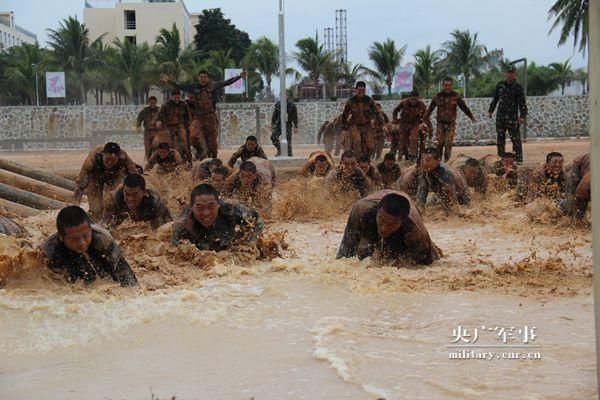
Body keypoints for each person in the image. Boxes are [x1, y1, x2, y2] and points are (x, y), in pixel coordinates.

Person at [40, 206, 137, 287]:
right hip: (68, 266)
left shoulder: (103, 239)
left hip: (99, 262)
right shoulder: (50, 251)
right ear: (61, 237)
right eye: (74, 239)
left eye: (86, 235)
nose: (82, 243)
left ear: (90, 229)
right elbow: (54, 288)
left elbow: (125, 274)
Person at [160, 69, 247, 159]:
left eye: (205, 77)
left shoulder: (212, 86)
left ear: (207, 78)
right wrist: (169, 81)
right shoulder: (194, 87)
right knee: (191, 135)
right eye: (201, 77)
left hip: (210, 118)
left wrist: (239, 77)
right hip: (199, 118)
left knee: (213, 143)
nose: (203, 79)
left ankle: (214, 158)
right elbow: (180, 86)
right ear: (198, 78)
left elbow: (226, 82)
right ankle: (194, 153)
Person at [336, 190, 440, 264]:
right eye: (382, 220)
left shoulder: (415, 231)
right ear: (378, 211)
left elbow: (429, 265)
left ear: (401, 222)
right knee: (364, 256)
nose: (384, 228)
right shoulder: (361, 210)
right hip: (373, 210)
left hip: (406, 220)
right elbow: (345, 251)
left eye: (391, 224)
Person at [172, 183, 264, 251]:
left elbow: (258, 220)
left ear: (218, 204)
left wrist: (250, 245)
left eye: (211, 206)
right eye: (200, 207)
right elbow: (176, 255)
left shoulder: (231, 209)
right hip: (200, 241)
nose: (206, 213)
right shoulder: (182, 224)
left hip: (226, 237)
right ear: (191, 207)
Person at [74, 142, 138, 219]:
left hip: (115, 176)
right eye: (107, 159)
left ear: (118, 157)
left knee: (112, 203)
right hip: (95, 178)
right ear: (103, 154)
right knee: (96, 210)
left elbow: (134, 174)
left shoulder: (123, 157)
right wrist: (76, 203)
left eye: (113, 160)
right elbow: (81, 180)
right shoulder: (94, 156)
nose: (109, 163)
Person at [424, 77, 476, 162]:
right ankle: (439, 160)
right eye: (445, 85)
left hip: (451, 124)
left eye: (449, 85)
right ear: (442, 85)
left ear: (451, 86)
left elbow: (463, 107)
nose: (447, 87)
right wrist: (425, 119)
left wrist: (471, 117)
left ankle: (447, 161)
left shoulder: (455, 96)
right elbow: (430, 109)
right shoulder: (438, 96)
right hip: (440, 123)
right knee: (440, 143)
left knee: (448, 143)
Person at [101, 174, 172, 230]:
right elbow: (103, 227)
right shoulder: (113, 199)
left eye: (134, 195)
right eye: (127, 194)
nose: (130, 199)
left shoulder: (155, 202)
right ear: (123, 191)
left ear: (144, 192)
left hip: (155, 181)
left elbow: (169, 226)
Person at [488, 65, 528, 163]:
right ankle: (501, 159)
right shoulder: (500, 85)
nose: (510, 75)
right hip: (500, 117)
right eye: (508, 73)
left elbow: (522, 103)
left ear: (515, 74)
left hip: (512, 117)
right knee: (500, 139)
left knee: (515, 139)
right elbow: (495, 99)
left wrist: (522, 116)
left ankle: (518, 159)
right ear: (506, 74)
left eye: (512, 73)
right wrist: (490, 110)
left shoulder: (518, 87)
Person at [417, 147, 470, 213]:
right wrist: (420, 209)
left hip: (461, 193)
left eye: (428, 160)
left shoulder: (444, 173)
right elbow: (422, 190)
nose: (424, 163)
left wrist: (454, 212)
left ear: (437, 161)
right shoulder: (426, 170)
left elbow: (451, 195)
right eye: (422, 159)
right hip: (441, 194)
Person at [341, 81, 384, 158]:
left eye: (363, 90)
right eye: (359, 90)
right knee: (357, 142)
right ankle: (358, 161)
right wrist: (344, 129)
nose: (361, 92)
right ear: (356, 90)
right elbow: (344, 115)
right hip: (355, 125)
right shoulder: (351, 101)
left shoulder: (369, 100)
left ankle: (366, 159)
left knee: (370, 146)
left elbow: (377, 112)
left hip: (367, 126)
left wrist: (381, 123)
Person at [392, 90, 432, 161]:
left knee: (414, 139)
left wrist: (429, 126)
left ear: (418, 98)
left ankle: (413, 156)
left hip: (415, 123)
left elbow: (426, 116)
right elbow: (395, 111)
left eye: (416, 99)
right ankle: (404, 155)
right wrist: (395, 119)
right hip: (403, 123)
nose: (414, 101)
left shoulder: (421, 104)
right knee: (402, 141)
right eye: (412, 99)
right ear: (409, 98)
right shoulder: (404, 102)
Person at [156, 89, 191, 165]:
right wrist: (158, 122)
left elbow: (188, 117)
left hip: (180, 126)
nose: (176, 99)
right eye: (175, 97)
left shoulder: (184, 104)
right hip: (168, 127)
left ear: (180, 96)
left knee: (185, 143)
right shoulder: (165, 105)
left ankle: (188, 160)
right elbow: (158, 116)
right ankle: (162, 160)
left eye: (178, 97)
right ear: (172, 97)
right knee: (167, 144)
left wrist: (187, 125)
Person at [561, 153, 590, 218]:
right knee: (571, 204)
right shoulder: (588, 181)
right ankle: (557, 205)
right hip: (578, 168)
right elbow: (580, 192)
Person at [136, 96, 161, 160]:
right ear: (149, 103)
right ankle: (149, 164)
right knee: (148, 150)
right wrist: (138, 127)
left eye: (154, 102)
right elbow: (139, 119)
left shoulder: (159, 110)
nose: (153, 104)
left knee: (155, 145)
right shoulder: (145, 110)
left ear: (156, 102)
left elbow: (164, 119)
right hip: (147, 132)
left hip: (156, 132)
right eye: (151, 102)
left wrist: (161, 124)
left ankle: (157, 160)